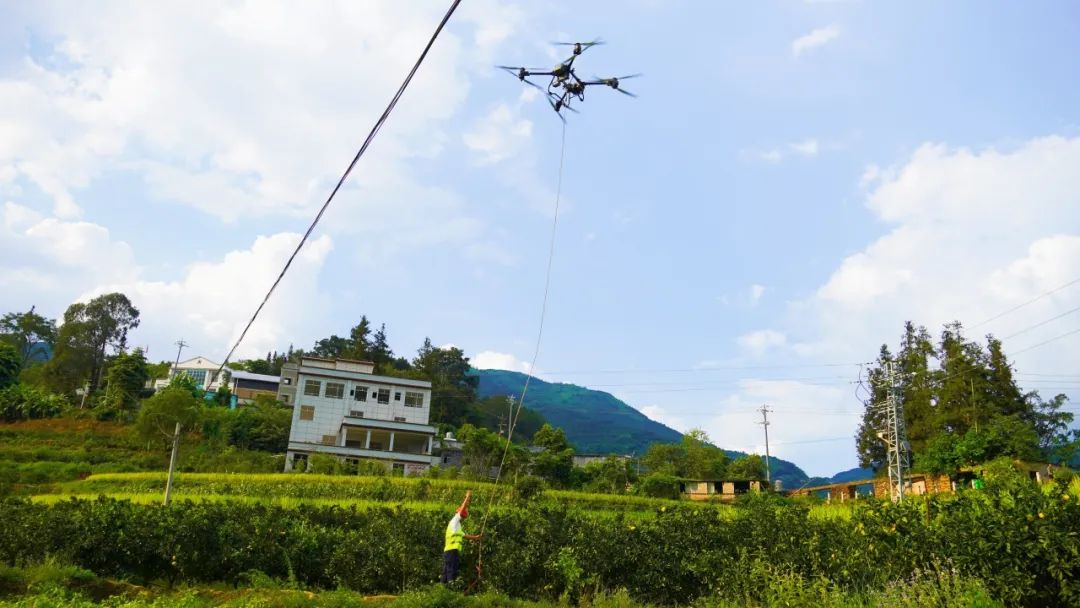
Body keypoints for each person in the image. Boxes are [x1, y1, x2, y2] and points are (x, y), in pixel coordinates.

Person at [442, 490, 481, 584]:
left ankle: (442, 588)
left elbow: (464, 535)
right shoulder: (455, 519)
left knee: (447, 571)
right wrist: (467, 497)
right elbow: (463, 508)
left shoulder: (457, 525)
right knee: (452, 569)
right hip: (452, 550)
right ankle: (451, 588)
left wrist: (475, 537)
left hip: (450, 550)